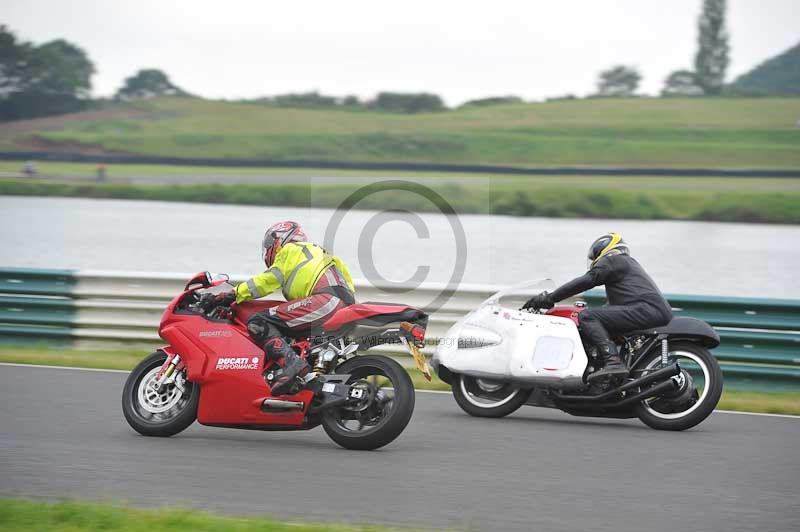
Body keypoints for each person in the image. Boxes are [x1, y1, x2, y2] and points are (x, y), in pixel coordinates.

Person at [214, 221, 355, 395]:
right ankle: (311, 378)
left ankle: (292, 365)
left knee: (258, 321)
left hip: (326, 301)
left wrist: (233, 294)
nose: (268, 250)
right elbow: (348, 283)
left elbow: (267, 280)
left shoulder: (290, 250)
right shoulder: (323, 254)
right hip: (344, 306)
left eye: (269, 245)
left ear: (279, 239)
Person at [522, 233, 672, 382]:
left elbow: (586, 280)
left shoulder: (614, 260)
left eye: (594, 257)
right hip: (649, 309)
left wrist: (549, 298)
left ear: (604, 249)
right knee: (597, 320)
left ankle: (613, 362)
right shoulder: (627, 267)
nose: (594, 261)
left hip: (647, 309)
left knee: (588, 316)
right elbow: (614, 307)